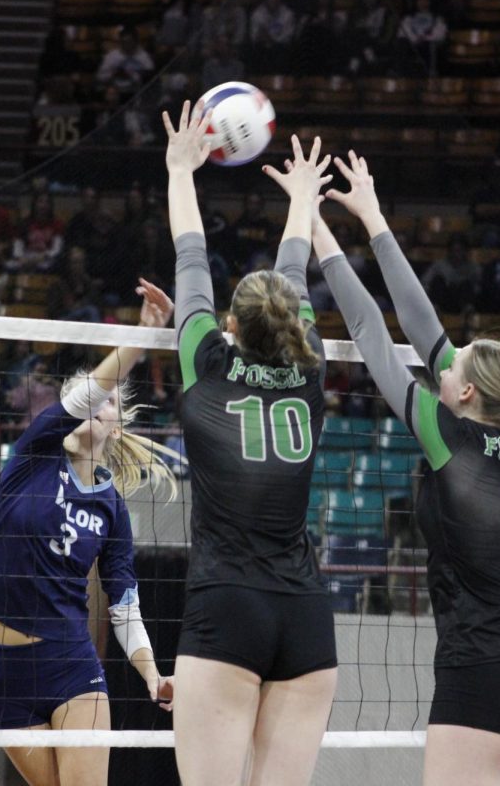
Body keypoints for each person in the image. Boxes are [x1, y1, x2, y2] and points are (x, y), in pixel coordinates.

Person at [312, 149, 500, 785]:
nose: (442, 360)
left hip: (480, 680)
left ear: (467, 393)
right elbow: (423, 326)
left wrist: (311, 226)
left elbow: (370, 328)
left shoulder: (447, 437)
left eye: (454, 363)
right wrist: (371, 216)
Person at [165, 103, 337, 786]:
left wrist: (182, 169)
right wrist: (302, 200)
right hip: (305, 612)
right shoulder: (311, 367)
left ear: (228, 323)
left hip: (225, 604)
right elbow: (290, 281)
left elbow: (190, 259)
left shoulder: (205, 360)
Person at [0, 282, 178, 786]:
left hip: (69, 664)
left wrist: (152, 675)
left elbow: (124, 604)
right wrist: (141, 336)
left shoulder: (111, 510)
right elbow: (85, 395)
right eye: (81, 400)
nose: (88, 408)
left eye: (104, 405)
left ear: (117, 427)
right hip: (0, 670)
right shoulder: (33, 455)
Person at [394, 0, 448, 76]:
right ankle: (401, 75)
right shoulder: (409, 18)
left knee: (431, 45)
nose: (422, 2)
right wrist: (415, 39)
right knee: (401, 43)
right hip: (412, 46)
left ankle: (431, 75)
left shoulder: (437, 18)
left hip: (428, 45)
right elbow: (401, 32)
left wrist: (424, 39)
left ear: (429, 1)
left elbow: (440, 34)